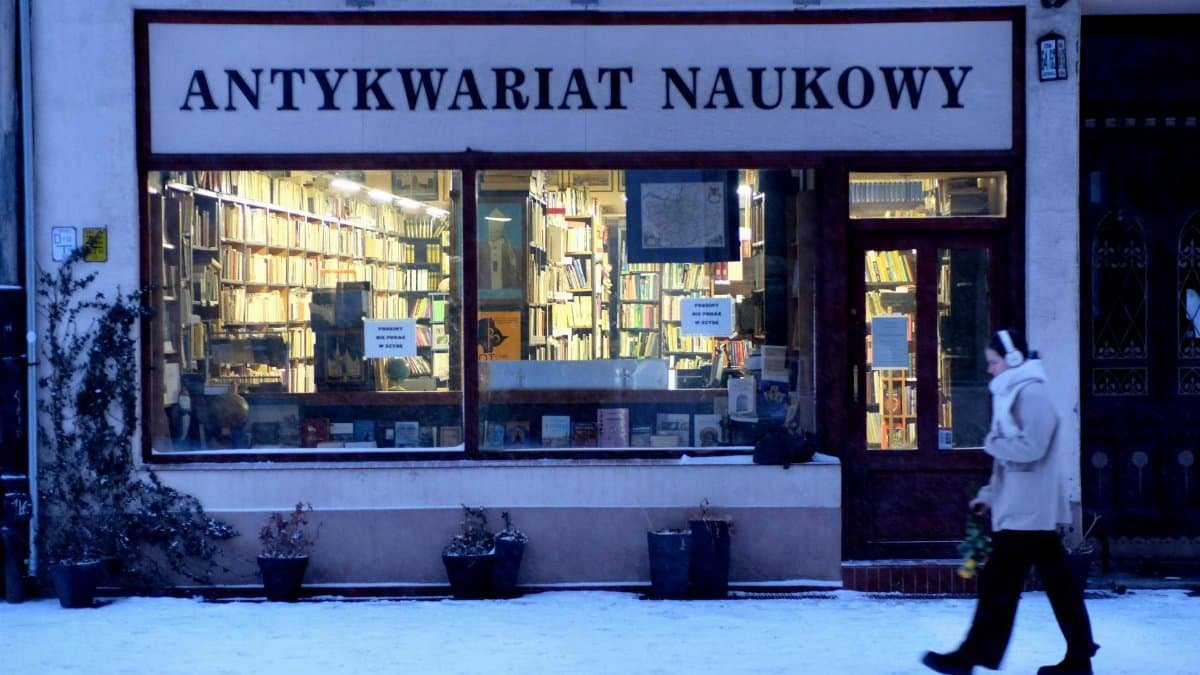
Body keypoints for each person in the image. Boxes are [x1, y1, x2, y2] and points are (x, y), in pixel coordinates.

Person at [923, 328, 1098, 675]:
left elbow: (1031, 448)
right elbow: (1010, 461)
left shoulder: (1031, 395)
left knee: (1000, 588)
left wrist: (991, 444)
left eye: (993, 362)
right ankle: (1078, 657)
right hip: (1024, 510)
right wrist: (989, 495)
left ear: (1014, 359)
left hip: (1028, 512)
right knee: (1055, 587)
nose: (989, 370)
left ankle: (970, 656)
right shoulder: (1014, 393)